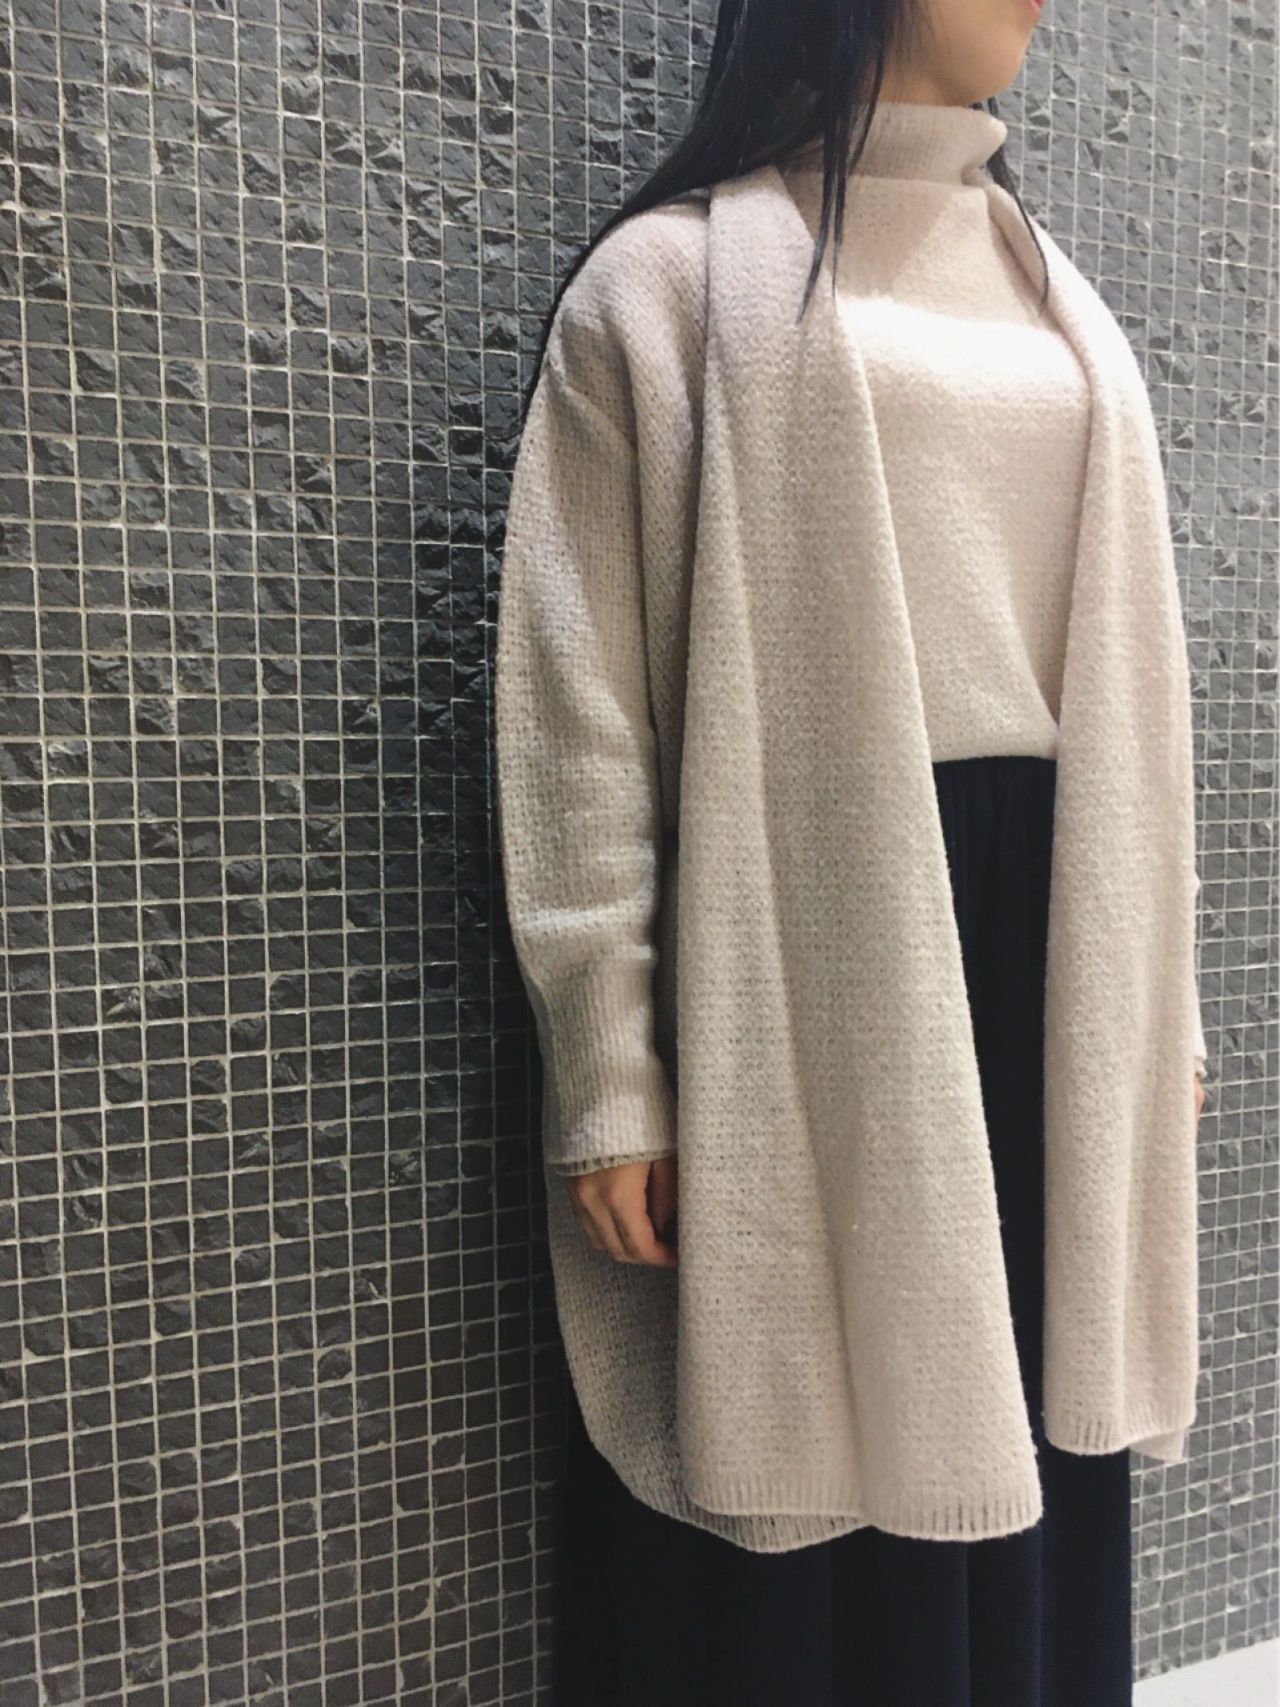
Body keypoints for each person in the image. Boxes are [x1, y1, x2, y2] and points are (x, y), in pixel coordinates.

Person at [494, 0, 1209, 1701]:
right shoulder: (666, 291)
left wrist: (1162, 1020)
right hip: (806, 931)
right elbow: (580, 710)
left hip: (1056, 951)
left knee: (1035, 1430)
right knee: (805, 1456)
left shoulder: (1057, 298)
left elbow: (1145, 708)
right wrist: (612, 1068)